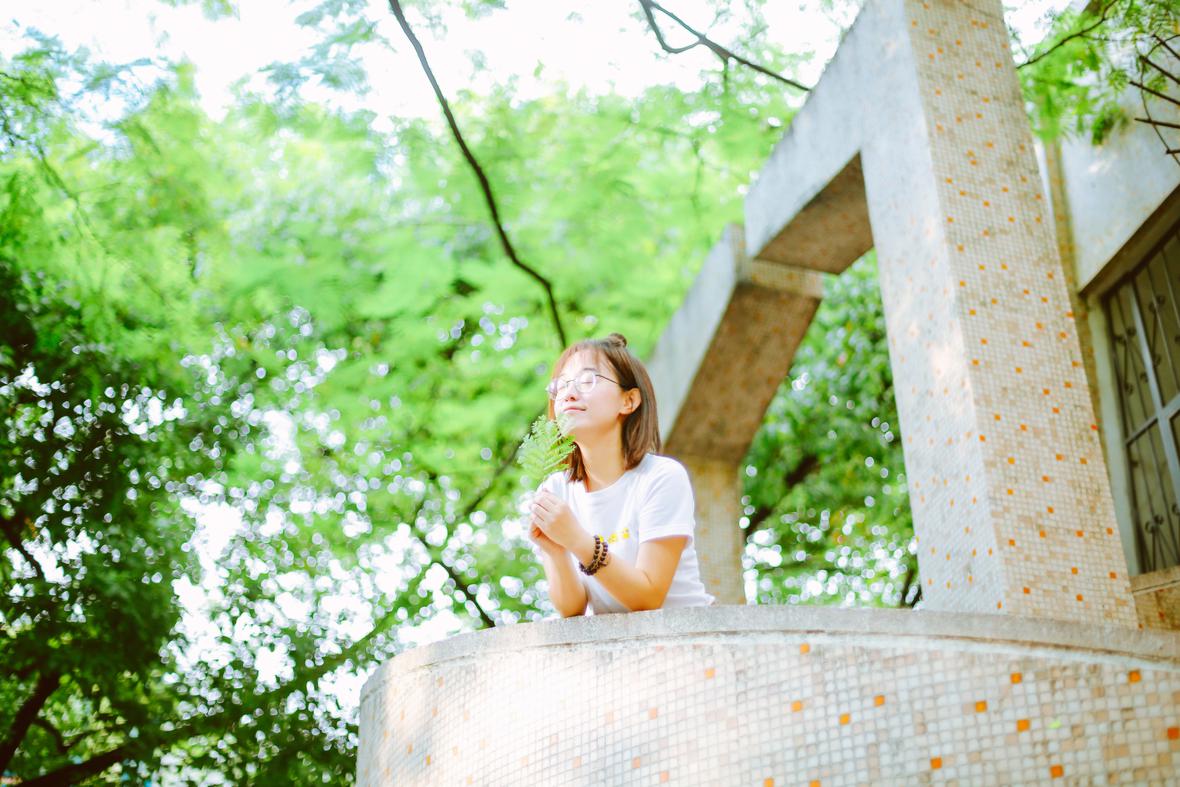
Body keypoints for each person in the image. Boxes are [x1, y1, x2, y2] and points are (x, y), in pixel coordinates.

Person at [527, 332, 715, 616]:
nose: (568, 394)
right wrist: (554, 550)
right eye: (561, 385)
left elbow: (648, 597)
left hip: (687, 635)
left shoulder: (661, 477)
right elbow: (572, 608)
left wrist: (576, 539)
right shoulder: (556, 489)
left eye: (587, 380)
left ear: (628, 401)